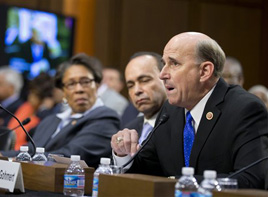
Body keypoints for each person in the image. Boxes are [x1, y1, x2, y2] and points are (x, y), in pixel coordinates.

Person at [111, 32, 268, 189]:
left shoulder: (245, 109)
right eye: (164, 63)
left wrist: (178, 182)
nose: (163, 74)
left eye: (174, 64)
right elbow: (147, 167)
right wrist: (123, 153)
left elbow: (251, 179)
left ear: (205, 71)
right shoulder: (170, 110)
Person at [0, 53, 120, 168]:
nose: (79, 89)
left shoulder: (106, 118)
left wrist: (9, 159)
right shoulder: (51, 120)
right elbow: (30, 150)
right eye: (71, 84)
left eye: (85, 82)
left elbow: (69, 155)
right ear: (63, 92)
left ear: (96, 85)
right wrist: (0, 155)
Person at [122, 52, 167, 143]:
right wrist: (121, 156)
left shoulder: (184, 123)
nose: (137, 91)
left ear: (165, 78)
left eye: (145, 81)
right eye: (130, 86)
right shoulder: (129, 129)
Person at [7, 72, 55, 150]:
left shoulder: (48, 115)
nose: (30, 97)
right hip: (11, 150)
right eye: (31, 92)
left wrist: (44, 109)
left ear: (45, 97)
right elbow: (11, 130)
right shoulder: (26, 107)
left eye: (35, 94)